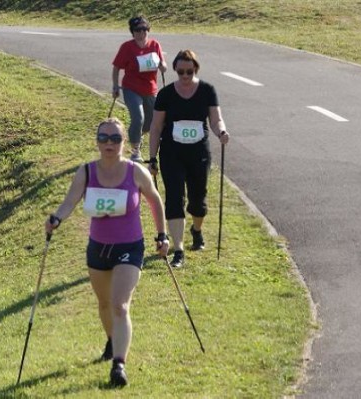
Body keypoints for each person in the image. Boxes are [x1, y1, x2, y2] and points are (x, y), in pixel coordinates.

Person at [45, 117, 169, 387]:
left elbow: (155, 201)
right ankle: (112, 341)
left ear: (124, 142)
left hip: (129, 247)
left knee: (119, 305)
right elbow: (69, 202)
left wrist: (162, 235)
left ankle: (119, 365)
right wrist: (56, 218)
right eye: (103, 138)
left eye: (115, 138)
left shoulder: (135, 172)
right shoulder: (87, 172)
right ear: (97, 142)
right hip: (98, 248)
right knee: (103, 305)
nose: (109, 143)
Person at [148, 49, 230, 268]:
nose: (185, 76)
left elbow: (215, 120)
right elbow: (156, 127)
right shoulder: (165, 94)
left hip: (198, 153)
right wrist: (152, 158)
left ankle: (197, 229)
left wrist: (221, 132)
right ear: (175, 69)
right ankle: (179, 248)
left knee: (197, 199)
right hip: (171, 153)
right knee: (174, 198)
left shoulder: (206, 91)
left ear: (196, 69)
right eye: (181, 71)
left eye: (189, 71)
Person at [112, 15, 167, 162]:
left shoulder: (154, 45)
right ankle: (136, 151)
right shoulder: (127, 47)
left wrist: (163, 67)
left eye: (144, 29)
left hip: (150, 89)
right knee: (138, 118)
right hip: (131, 88)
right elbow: (116, 67)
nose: (141, 33)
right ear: (132, 32)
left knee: (150, 122)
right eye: (137, 30)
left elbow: (163, 64)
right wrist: (115, 85)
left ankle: (136, 136)